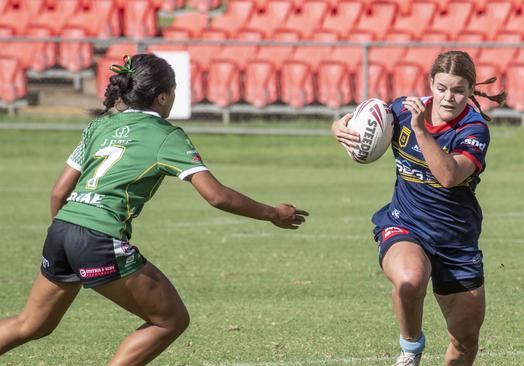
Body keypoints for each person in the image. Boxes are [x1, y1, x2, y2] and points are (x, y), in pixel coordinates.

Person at [0, 54, 308, 365]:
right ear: (162, 96)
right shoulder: (166, 135)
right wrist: (273, 213)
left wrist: (71, 238)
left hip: (62, 229)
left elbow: (59, 192)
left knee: (32, 323)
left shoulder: (102, 125)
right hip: (96, 238)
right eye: (173, 91)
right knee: (170, 320)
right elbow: (216, 196)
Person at [332, 50, 505, 366]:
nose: (448, 97)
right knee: (411, 279)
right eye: (441, 88)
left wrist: (422, 130)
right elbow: (364, 123)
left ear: (470, 91)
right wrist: (339, 128)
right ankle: (410, 350)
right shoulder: (401, 110)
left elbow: (449, 176)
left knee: (464, 340)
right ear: (430, 84)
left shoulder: (473, 129)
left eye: (458, 90)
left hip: (457, 242)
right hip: (405, 224)